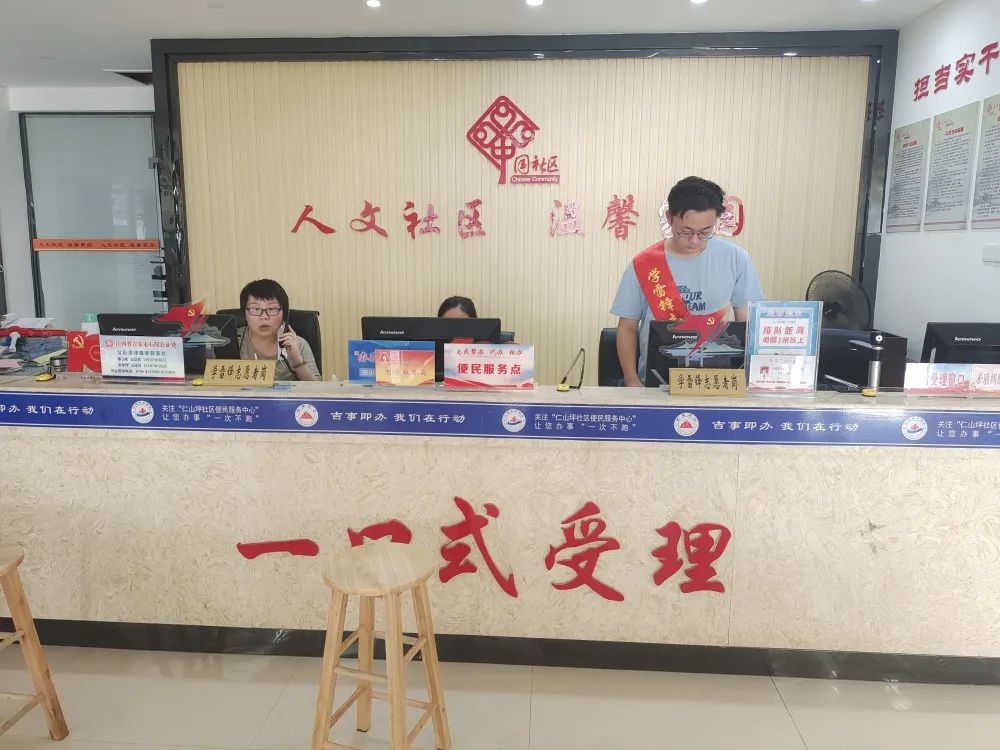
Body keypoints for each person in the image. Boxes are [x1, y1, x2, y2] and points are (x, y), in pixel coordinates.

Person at [611, 176, 764, 387]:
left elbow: (747, 325)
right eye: (686, 231)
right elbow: (627, 326)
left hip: (716, 381)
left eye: (705, 232)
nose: (694, 240)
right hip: (657, 382)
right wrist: (631, 381)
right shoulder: (644, 264)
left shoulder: (736, 259)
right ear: (669, 218)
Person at [237, 279, 320, 381]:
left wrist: (296, 359)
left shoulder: (297, 344)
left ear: (284, 314)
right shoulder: (232, 341)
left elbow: (317, 387)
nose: (264, 317)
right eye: (256, 309)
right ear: (244, 314)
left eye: (272, 309)